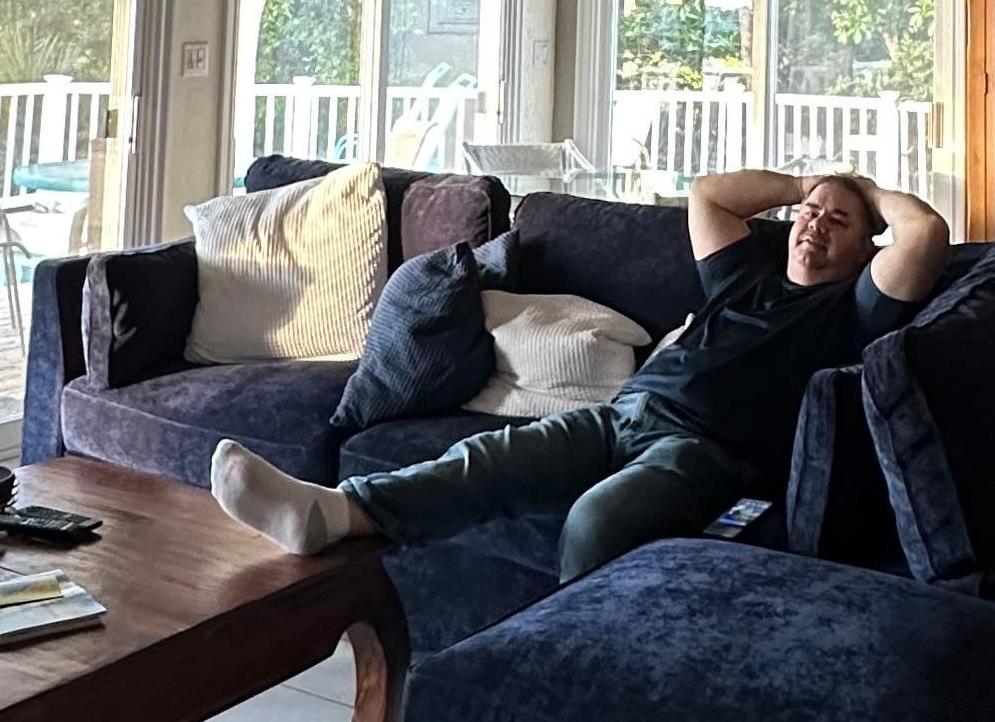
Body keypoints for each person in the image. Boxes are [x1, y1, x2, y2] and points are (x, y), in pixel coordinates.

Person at [210, 164, 949, 586]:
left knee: (599, 519)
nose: (814, 222)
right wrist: (803, 183)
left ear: (863, 251)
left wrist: (865, 189)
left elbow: (926, 234)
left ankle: (562, 668)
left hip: (705, 455)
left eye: (837, 222)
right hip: (622, 414)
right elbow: (708, 195)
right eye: (809, 214)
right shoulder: (745, 278)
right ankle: (325, 516)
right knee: (482, 460)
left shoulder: (852, 309)